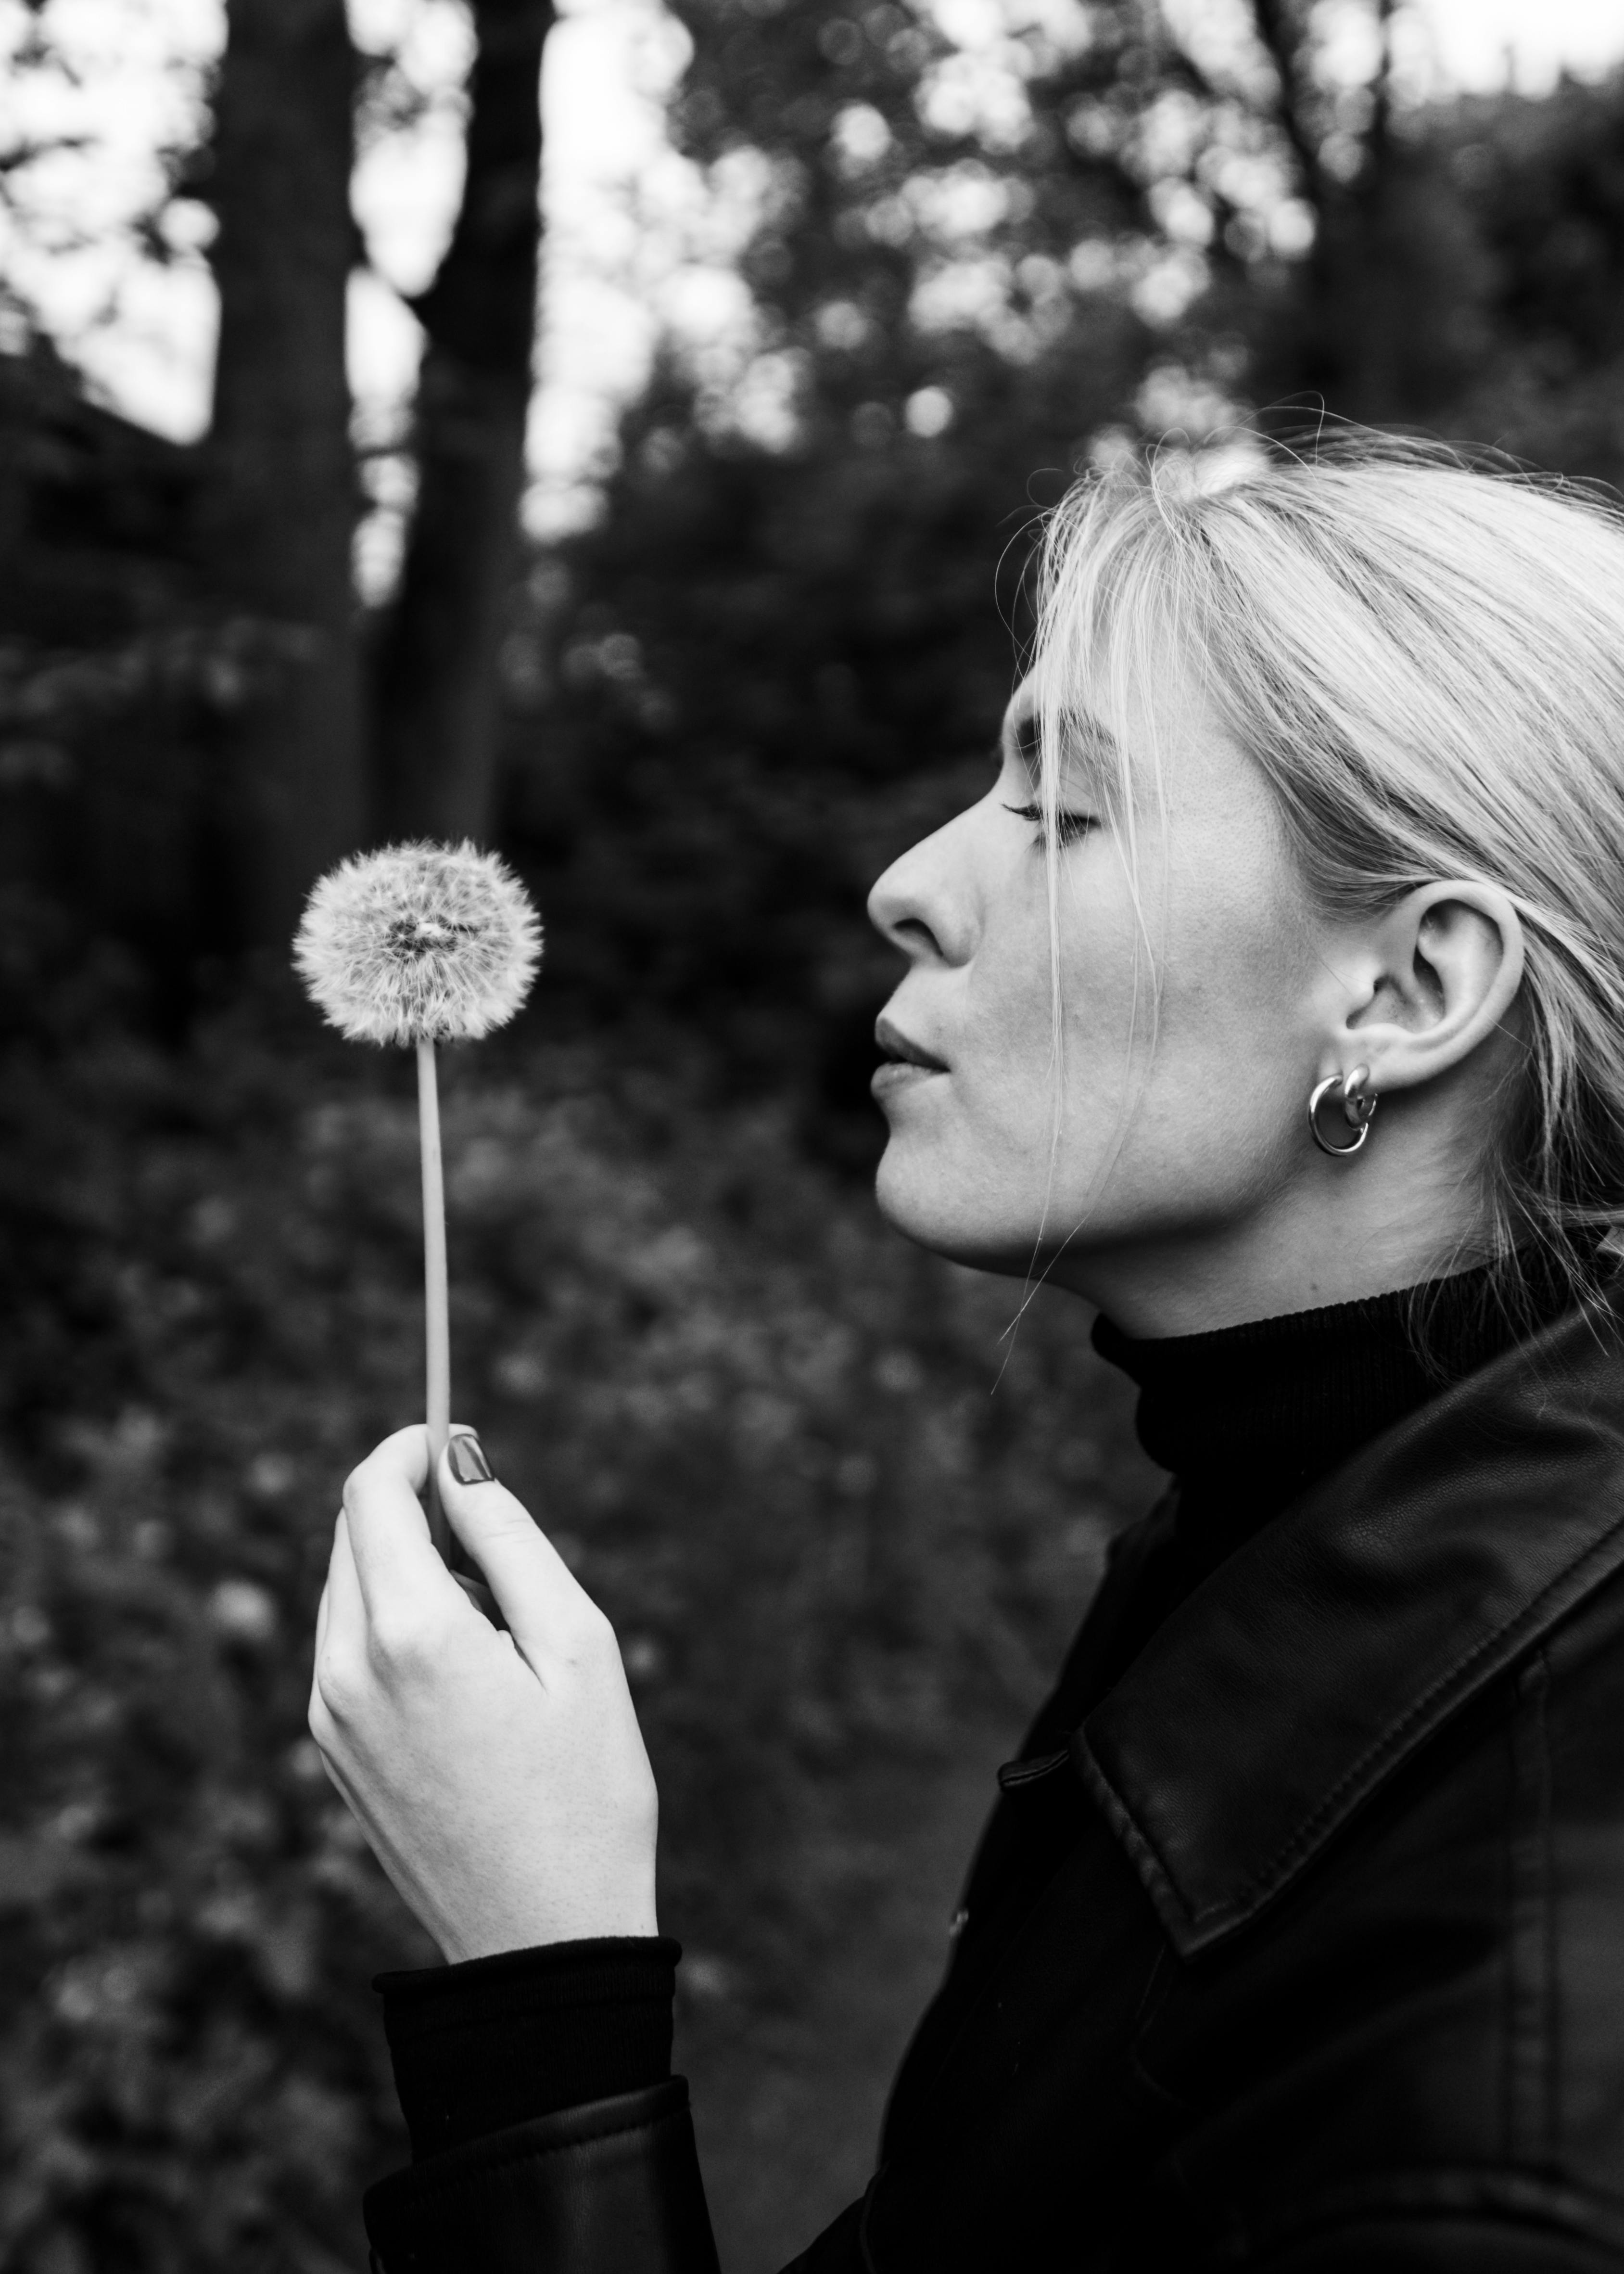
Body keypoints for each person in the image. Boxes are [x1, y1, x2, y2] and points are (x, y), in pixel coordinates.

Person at [309, 434, 1624, 2272]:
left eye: (1062, 811)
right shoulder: (1296, 1542)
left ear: (1405, 995)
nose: (910, 882)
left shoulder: (1509, 2073)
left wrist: (541, 2001)